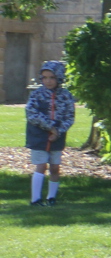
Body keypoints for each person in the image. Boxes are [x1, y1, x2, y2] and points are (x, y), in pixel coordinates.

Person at [26, 62, 76, 207]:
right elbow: (31, 113)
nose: (48, 81)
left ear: (59, 78)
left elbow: (69, 117)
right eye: (45, 77)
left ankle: (51, 197)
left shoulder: (66, 96)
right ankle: (35, 199)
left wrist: (58, 131)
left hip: (57, 138)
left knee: (55, 167)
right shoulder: (36, 94)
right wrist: (50, 127)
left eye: (52, 77)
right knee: (41, 165)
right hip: (39, 136)